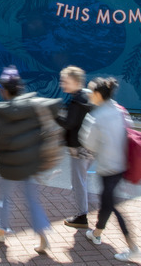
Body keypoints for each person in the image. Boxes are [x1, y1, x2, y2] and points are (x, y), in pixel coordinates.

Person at [0, 66, 53, 255]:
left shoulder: (2, 112)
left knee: (5, 199)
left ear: (4, 90)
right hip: (28, 164)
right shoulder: (31, 107)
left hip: (8, 166)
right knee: (32, 200)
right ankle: (43, 237)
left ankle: (1, 231)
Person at [83, 76, 141, 263]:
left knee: (112, 205)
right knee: (107, 202)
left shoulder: (97, 116)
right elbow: (130, 130)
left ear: (98, 94)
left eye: (91, 91)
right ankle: (96, 233)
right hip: (122, 165)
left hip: (107, 167)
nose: (89, 95)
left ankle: (133, 247)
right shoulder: (120, 110)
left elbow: (88, 143)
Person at [55, 65, 93, 229]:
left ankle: (82, 216)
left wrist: (53, 115)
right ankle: (86, 204)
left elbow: (69, 123)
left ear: (76, 82)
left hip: (79, 148)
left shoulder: (78, 100)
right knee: (82, 179)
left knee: (78, 182)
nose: (62, 84)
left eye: (66, 81)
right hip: (90, 146)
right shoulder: (86, 95)